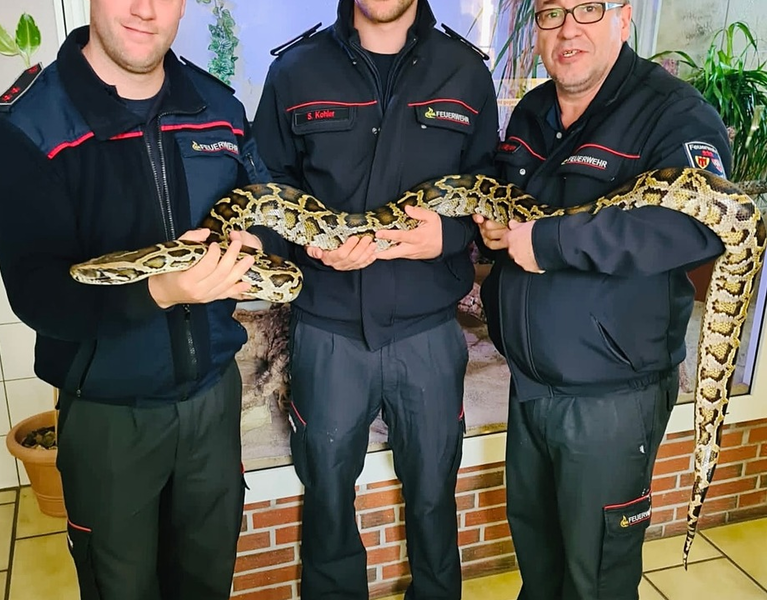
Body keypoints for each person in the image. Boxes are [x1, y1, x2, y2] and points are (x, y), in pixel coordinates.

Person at [0, 1, 269, 598]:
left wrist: (257, 244)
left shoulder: (219, 108)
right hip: (108, 418)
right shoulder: (27, 128)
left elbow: (265, 209)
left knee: (207, 583)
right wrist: (161, 291)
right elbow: (37, 295)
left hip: (213, 404)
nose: (144, 9)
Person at [234, 0, 497, 597]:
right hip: (327, 331)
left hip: (428, 333)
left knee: (434, 496)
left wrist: (445, 236)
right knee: (327, 499)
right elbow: (267, 186)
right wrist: (305, 244)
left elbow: (490, 193)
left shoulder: (465, 71)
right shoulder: (295, 70)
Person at [474, 1, 730, 598]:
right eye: (551, 13)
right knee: (539, 564)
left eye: (588, 8)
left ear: (623, 17)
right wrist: (496, 231)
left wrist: (550, 242)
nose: (568, 29)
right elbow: (514, 212)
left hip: (609, 399)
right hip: (529, 387)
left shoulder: (673, 112)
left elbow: (698, 225)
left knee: (595, 579)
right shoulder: (534, 110)